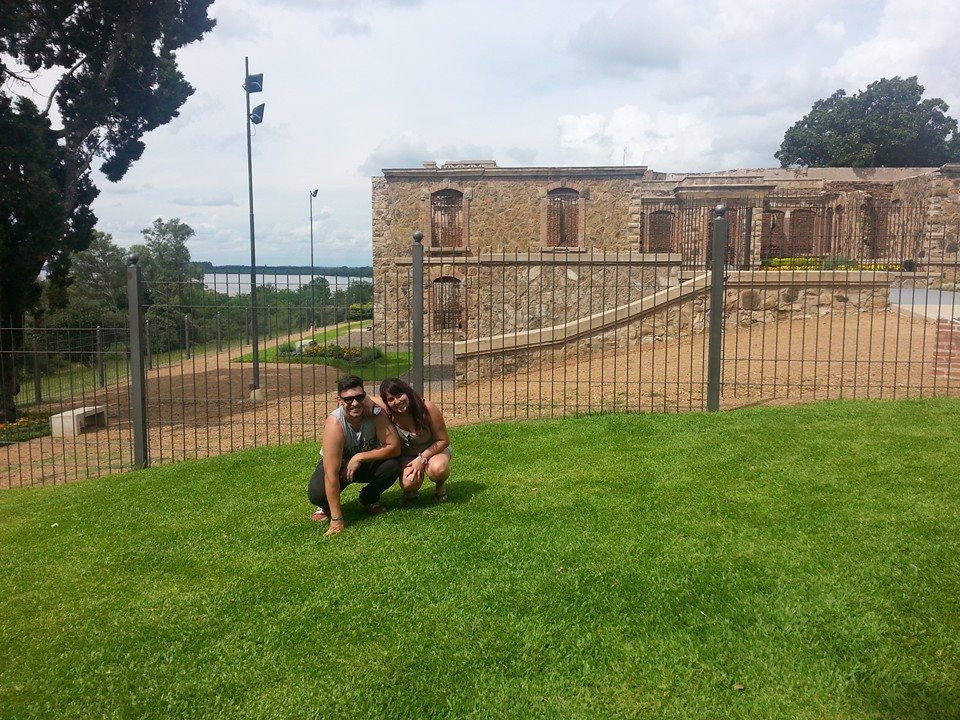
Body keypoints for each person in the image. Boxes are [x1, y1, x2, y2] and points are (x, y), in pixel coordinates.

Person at [308, 375, 401, 536]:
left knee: (392, 465)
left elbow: (394, 448)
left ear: (365, 396)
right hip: (340, 465)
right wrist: (337, 519)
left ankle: (369, 499)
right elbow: (330, 473)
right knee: (317, 494)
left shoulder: (376, 414)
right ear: (339, 400)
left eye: (359, 397)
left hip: (365, 461)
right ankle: (326, 507)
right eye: (349, 399)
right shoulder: (335, 423)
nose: (355, 403)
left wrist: (359, 457)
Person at [374, 377, 451, 503]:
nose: (397, 401)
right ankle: (410, 491)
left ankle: (440, 485)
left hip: (434, 450)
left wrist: (422, 459)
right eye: (391, 399)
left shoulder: (427, 408)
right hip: (407, 455)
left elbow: (443, 440)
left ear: (407, 392)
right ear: (386, 402)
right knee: (409, 483)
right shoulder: (388, 413)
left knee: (438, 469)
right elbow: (368, 400)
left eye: (399, 395)